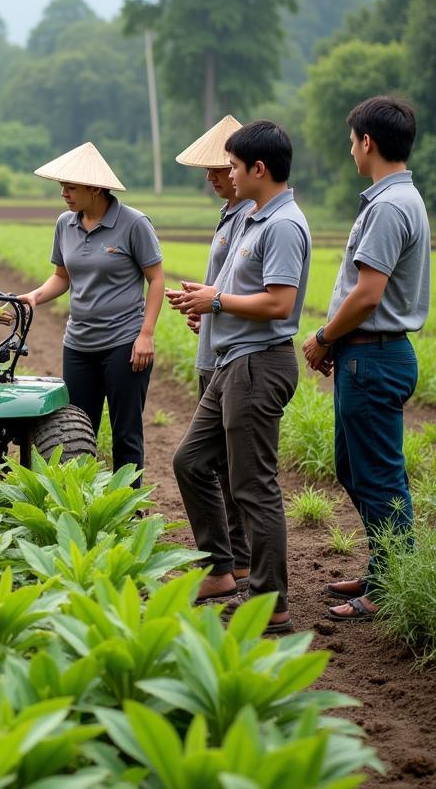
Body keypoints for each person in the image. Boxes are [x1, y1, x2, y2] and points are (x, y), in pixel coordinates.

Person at [172, 120, 310, 634]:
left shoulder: (284, 225)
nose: (226, 174)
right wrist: (207, 304)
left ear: (259, 168)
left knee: (254, 487)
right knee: (190, 461)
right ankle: (223, 569)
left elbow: (279, 303)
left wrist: (218, 301)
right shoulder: (251, 219)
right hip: (233, 361)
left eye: (232, 165)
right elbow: (240, 294)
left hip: (259, 364)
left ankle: (271, 606)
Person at [302, 96, 430, 622]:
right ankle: (385, 567)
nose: (350, 148)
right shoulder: (402, 199)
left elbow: (367, 294)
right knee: (356, 468)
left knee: (377, 476)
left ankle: (390, 583)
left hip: (372, 357)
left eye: (352, 139)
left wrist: (324, 338)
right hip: (373, 356)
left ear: (367, 142)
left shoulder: (387, 206)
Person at [19, 142, 164, 478]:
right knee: (76, 431)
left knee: (126, 431)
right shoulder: (65, 224)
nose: (64, 194)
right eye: (62, 187)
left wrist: (146, 334)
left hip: (124, 344)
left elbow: (156, 280)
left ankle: (127, 508)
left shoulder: (133, 223)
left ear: (95, 188)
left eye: (71, 187)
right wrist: (34, 297)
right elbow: (62, 277)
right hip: (79, 345)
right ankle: (81, 502)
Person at [166, 116, 252, 595]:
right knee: (215, 464)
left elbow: (256, 296)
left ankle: (234, 563)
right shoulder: (229, 214)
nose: (215, 179)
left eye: (222, 170)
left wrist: (214, 304)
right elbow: (228, 292)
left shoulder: (253, 218)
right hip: (216, 349)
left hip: (236, 359)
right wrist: (207, 309)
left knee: (224, 466)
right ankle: (231, 563)